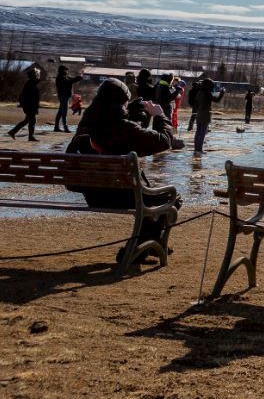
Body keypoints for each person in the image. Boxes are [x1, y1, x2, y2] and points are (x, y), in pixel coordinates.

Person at [65, 79, 180, 263]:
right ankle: (137, 249)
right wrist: (160, 115)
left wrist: (131, 113)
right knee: (170, 198)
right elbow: (162, 140)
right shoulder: (123, 127)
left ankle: (148, 243)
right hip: (120, 196)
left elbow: (117, 132)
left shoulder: (89, 121)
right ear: (121, 101)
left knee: (149, 199)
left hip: (92, 194)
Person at [188, 77, 225, 155]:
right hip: (205, 115)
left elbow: (196, 104)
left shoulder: (199, 92)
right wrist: (222, 93)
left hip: (198, 114)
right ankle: (199, 149)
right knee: (202, 133)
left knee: (198, 132)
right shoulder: (207, 93)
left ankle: (196, 149)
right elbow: (216, 100)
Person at [9, 65, 43, 141]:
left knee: (27, 120)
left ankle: (13, 132)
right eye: (38, 74)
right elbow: (28, 97)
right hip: (30, 106)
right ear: (35, 75)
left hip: (29, 105)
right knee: (32, 120)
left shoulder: (32, 83)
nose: (39, 75)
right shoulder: (31, 84)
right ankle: (30, 137)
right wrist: (33, 107)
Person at [54, 64, 81, 133]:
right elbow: (69, 81)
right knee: (64, 113)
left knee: (60, 112)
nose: (67, 71)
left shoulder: (64, 77)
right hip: (63, 97)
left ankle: (56, 127)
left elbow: (71, 79)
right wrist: (78, 78)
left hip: (64, 97)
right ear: (62, 70)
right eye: (66, 70)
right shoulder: (60, 78)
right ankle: (65, 128)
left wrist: (78, 77)